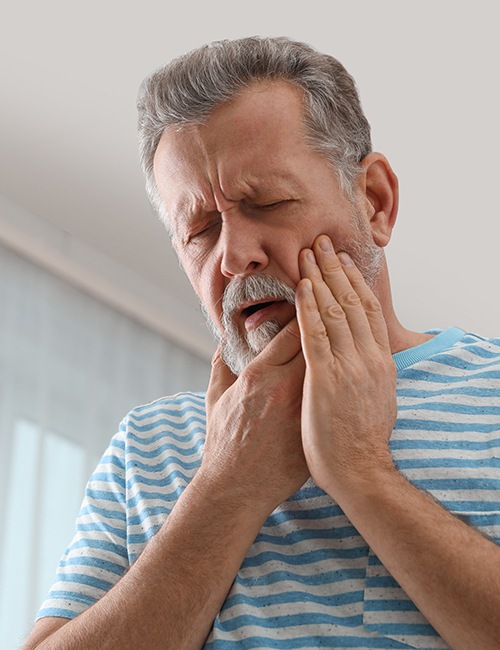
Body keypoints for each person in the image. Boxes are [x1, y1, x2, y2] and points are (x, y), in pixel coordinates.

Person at [24, 36, 500, 650]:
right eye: (200, 230)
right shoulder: (145, 444)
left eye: (268, 202)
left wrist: (360, 471)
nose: (235, 256)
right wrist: (228, 484)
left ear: (375, 202)